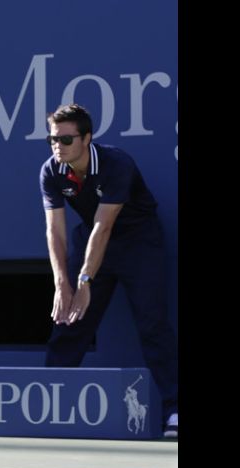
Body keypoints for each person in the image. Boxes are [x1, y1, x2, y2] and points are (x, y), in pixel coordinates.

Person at [39, 104, 178, 438]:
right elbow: (55, 232)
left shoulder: (116, 163)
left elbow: (105, 227)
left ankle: (175, 409)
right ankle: (47, 404)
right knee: (69, 320)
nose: (58, 146)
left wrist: (85, 280)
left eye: (67, 139)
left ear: (87, 138)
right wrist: (63, 284)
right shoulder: (50, 171)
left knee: (152, 324)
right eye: (52, 139)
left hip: (137, 241)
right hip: (90, 237)